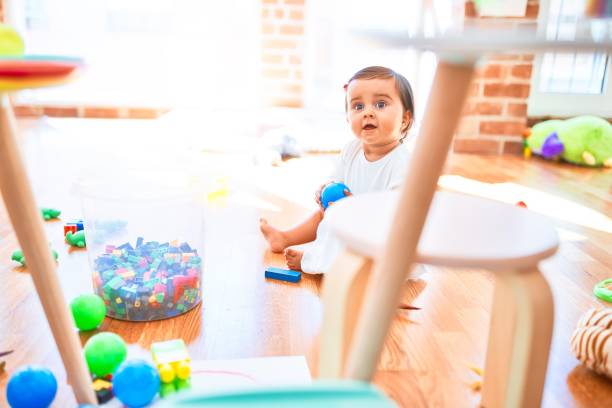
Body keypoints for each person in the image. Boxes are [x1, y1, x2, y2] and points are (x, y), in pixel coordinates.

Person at [260, 66, 415, 273]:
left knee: (363, 260)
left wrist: (356, 210)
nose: (368, 112)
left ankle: (324, 261)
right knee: (324, 215)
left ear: (405, 119)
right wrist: (325, 189)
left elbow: (395, 214)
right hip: (350, 222)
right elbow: (336, 180)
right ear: (348, 118)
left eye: (380, 104)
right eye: (358, 106)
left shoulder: (402, 163)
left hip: (382, 236)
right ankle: (286, 238)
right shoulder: (352, 150)